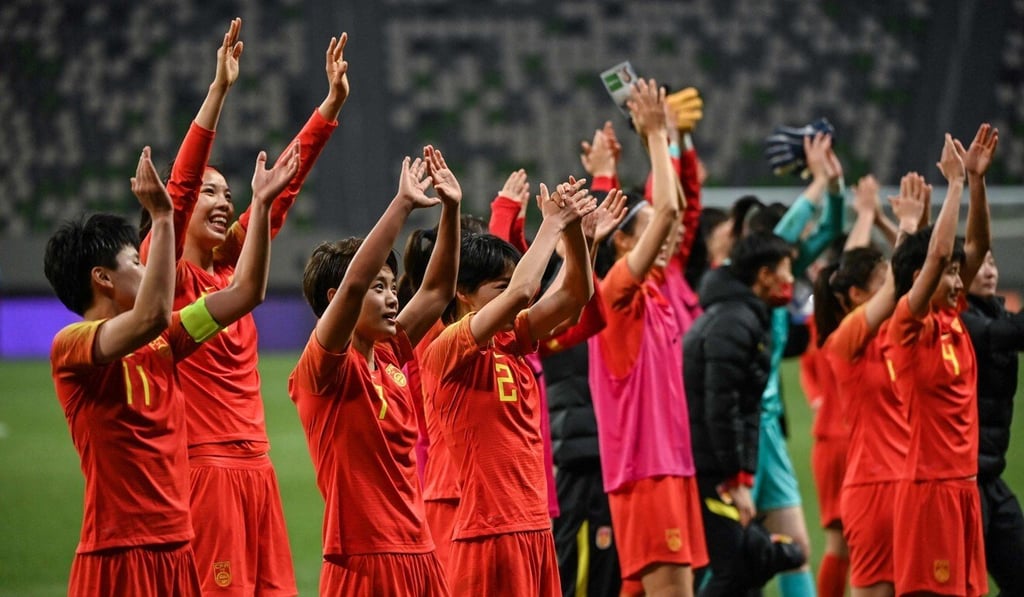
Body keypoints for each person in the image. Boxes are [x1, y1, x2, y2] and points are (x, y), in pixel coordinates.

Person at [139, 23, 351, 594]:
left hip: (257, 467)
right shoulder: (167, 278)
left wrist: (327, 109)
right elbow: (178, 190)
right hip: (204, 469)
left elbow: (278, 195)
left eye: (228, 194)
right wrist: (218, 93)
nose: (224, 200)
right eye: (213, 192)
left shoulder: (230, 271)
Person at [45, 145, 298, 596]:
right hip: (118, 553)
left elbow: (245, 294)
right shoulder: (72, 347)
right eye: (136, 264)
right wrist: (163, 219)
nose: (149, 270)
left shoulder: (166, 341)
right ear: (103, 278)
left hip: (178, 546)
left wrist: (261, 205)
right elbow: (150, 316)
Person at [289, 147, 460, 595]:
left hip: (420, 551)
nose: (391, 298)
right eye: (378, 287)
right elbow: (353, 285)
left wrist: (452, 210)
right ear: (335, 300)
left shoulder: (388, 355)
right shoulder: (323, 370)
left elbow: (439, 290)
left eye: (391, 286)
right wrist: (402, 204)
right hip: (365, 560)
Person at [420, 177, 595, 595]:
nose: (514, 295)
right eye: (496, 286)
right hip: (488, 533)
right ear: (463, 293)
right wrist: (550, 225)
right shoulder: (447, 348)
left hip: (533, 525)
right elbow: (522, 291)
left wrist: (572, 230)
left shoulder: (511, 339)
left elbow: (576, 295)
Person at [588, 78, 707, 597]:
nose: (667, 242)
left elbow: (673, 210)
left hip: (669, 468)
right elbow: (669, 213)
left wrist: (670, 145)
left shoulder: (656, 293)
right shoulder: (616, 293)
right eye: (649, 237)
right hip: (647, 471)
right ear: (622, 243)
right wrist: (657, 136)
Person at [888, 126, 996, 597]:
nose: (959, 279)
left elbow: (975, 247)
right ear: (920, 278)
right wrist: (952, 185)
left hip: (965, 490)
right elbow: (937, 255)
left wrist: (975, 181)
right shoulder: (909, 326)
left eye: (958, 273)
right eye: (950, 273)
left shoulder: (951, 317)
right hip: (929, 492)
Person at [685, 232, 802, 595]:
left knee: (742, 566)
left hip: (713, 467)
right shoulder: (735, 322)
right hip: (710, 470)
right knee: (736, 567)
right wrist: (734, 481)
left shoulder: (743, 315)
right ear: (764, 274)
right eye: (786, 271)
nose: (792, 281)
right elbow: (721, 407)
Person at [961, 250, 1024, 596]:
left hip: (990, 478)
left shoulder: (995, 312)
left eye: (993, 262)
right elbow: (1008, 334)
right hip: (961, 483)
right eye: (979, 264)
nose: (989, 271)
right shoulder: (958, 321)